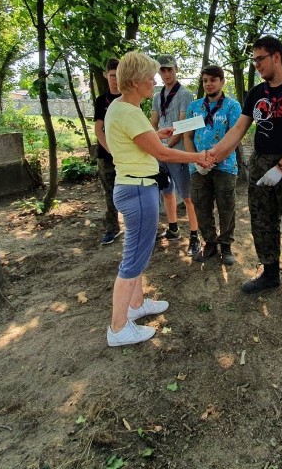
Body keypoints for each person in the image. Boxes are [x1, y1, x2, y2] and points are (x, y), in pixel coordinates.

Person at [104, 51, 214, 346]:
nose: (154, 82)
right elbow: (163, 152)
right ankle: (118, 328)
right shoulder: (128, 110)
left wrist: (156, 132)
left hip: (133, 186)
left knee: (137, 253)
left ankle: (137, 305)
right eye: (150, 78)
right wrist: (199, 157)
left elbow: (140, 139)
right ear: (137, 80)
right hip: (138, 190)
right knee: (132, 260)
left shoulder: (121, 106)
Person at [211, 34, 282, 319]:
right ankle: (270, 272)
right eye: (254, 60)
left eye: (261, 59)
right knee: (262, 222)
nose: (257, 64)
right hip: (260, 165)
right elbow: (238, 130)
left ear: (277, 57)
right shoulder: (257, 93)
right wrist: (214, 154)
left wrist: (281, 168)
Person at [184, 65, 242, 265]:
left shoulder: (233, 107)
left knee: (227, 207)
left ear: (222, 82)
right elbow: (187, 137)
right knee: (201, 205)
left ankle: (226, 245)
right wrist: (195, 160)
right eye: (205, 80)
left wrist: (213, 160)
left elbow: (234, 138)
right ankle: (209, 243)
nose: (208, 84)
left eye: (213, 80)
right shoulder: (194, 107)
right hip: (198, 168)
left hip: (225, 167)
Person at [151, 54, 202, 258]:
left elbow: (182, 127)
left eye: (169, 69)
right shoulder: (157, 96)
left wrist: (165, 147)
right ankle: (173, 228)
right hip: (160, 150)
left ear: (176, 69)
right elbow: (153, 122)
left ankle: (195, 235)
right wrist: (156, 145)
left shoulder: (185, 95)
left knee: (188, 197)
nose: (166, 74)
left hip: (178, 152)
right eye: (162, 70)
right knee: (166, 190)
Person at [93, 58, 122, 245]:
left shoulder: (129, 98)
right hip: (107, 156)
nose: (115, 80)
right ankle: (112, 228)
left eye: (118, 76)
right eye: (112, 76)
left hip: (127, 156)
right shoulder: (101, 101)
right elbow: (98, 129)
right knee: (109, 192)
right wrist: (111, 151)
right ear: (106, 75)